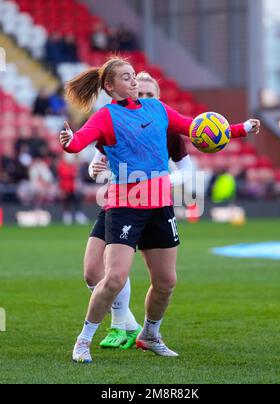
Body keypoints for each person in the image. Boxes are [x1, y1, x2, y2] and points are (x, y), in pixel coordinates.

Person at [59, 57, 260, 363]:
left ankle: (150, 335)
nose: (134, 82)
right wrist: (69, 142)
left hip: (160, 206)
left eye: (133, 77)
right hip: (125, 206)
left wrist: (241, 129)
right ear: (110, 87)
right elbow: (78, 144)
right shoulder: (106, 116)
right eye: (126, 78)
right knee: (113, 278)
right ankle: (83, 340)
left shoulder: (158, 109)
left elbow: (196, 129)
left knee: (166, 282)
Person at [82, 72, 194, 351]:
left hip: (156, 204)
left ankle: (132, 328)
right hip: (117, 203)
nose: (142, 98)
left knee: (163, 280)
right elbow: (96, 166)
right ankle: (125, 321)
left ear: (158, 100)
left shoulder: (168, 131)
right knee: (92, 273)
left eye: (149, 95)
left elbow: (189, 172)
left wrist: (160, 181)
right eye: (138, 93)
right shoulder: (118, 120)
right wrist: (94, 170)